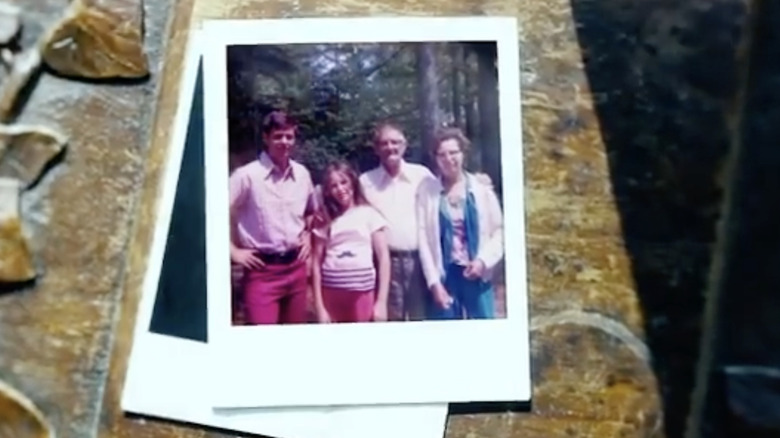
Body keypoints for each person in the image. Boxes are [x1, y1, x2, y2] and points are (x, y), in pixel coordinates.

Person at [229, 110, 316, 325]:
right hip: (261, 272)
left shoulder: (303, 174)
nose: (284, 141)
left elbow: (312, 212)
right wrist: (233, 251)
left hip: (296, 269)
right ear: (266, 138)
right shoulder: (246, 176)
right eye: (278, 136)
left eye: (289, 136)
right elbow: (212, 212)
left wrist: (309, 236)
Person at [417, 127, 504, 320]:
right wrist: (434, 283)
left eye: (453, 152)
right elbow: (424, 241)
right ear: (436, 158)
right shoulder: (427, 191)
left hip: (477, 272)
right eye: (442, 154)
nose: (448, 159)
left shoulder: (481, 189)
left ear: (463, 153)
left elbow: (500, 232)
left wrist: (483, 261)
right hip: (445, 275)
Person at [359, 122, 436, 322]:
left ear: (405, 145)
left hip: (420, 262)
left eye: (395, 142)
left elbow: (447, 194)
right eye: (384, 143)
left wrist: (478, 180)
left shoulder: (423, 176)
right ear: (376, 149)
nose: (390, 147)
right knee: (391, 322)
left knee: (422, 320)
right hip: (384, 265)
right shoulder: (366, 182)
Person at [311, 161, 391, 323]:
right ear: (328, 191)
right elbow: (316, 263)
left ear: (353, 182)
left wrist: (381, 302)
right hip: (332, 294)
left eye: (343, 182)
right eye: (333, 186)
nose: (340, 189)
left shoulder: (369, 214)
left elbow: (383, 258)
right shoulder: (325, 219)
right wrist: (320, 307)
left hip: (362, 293)